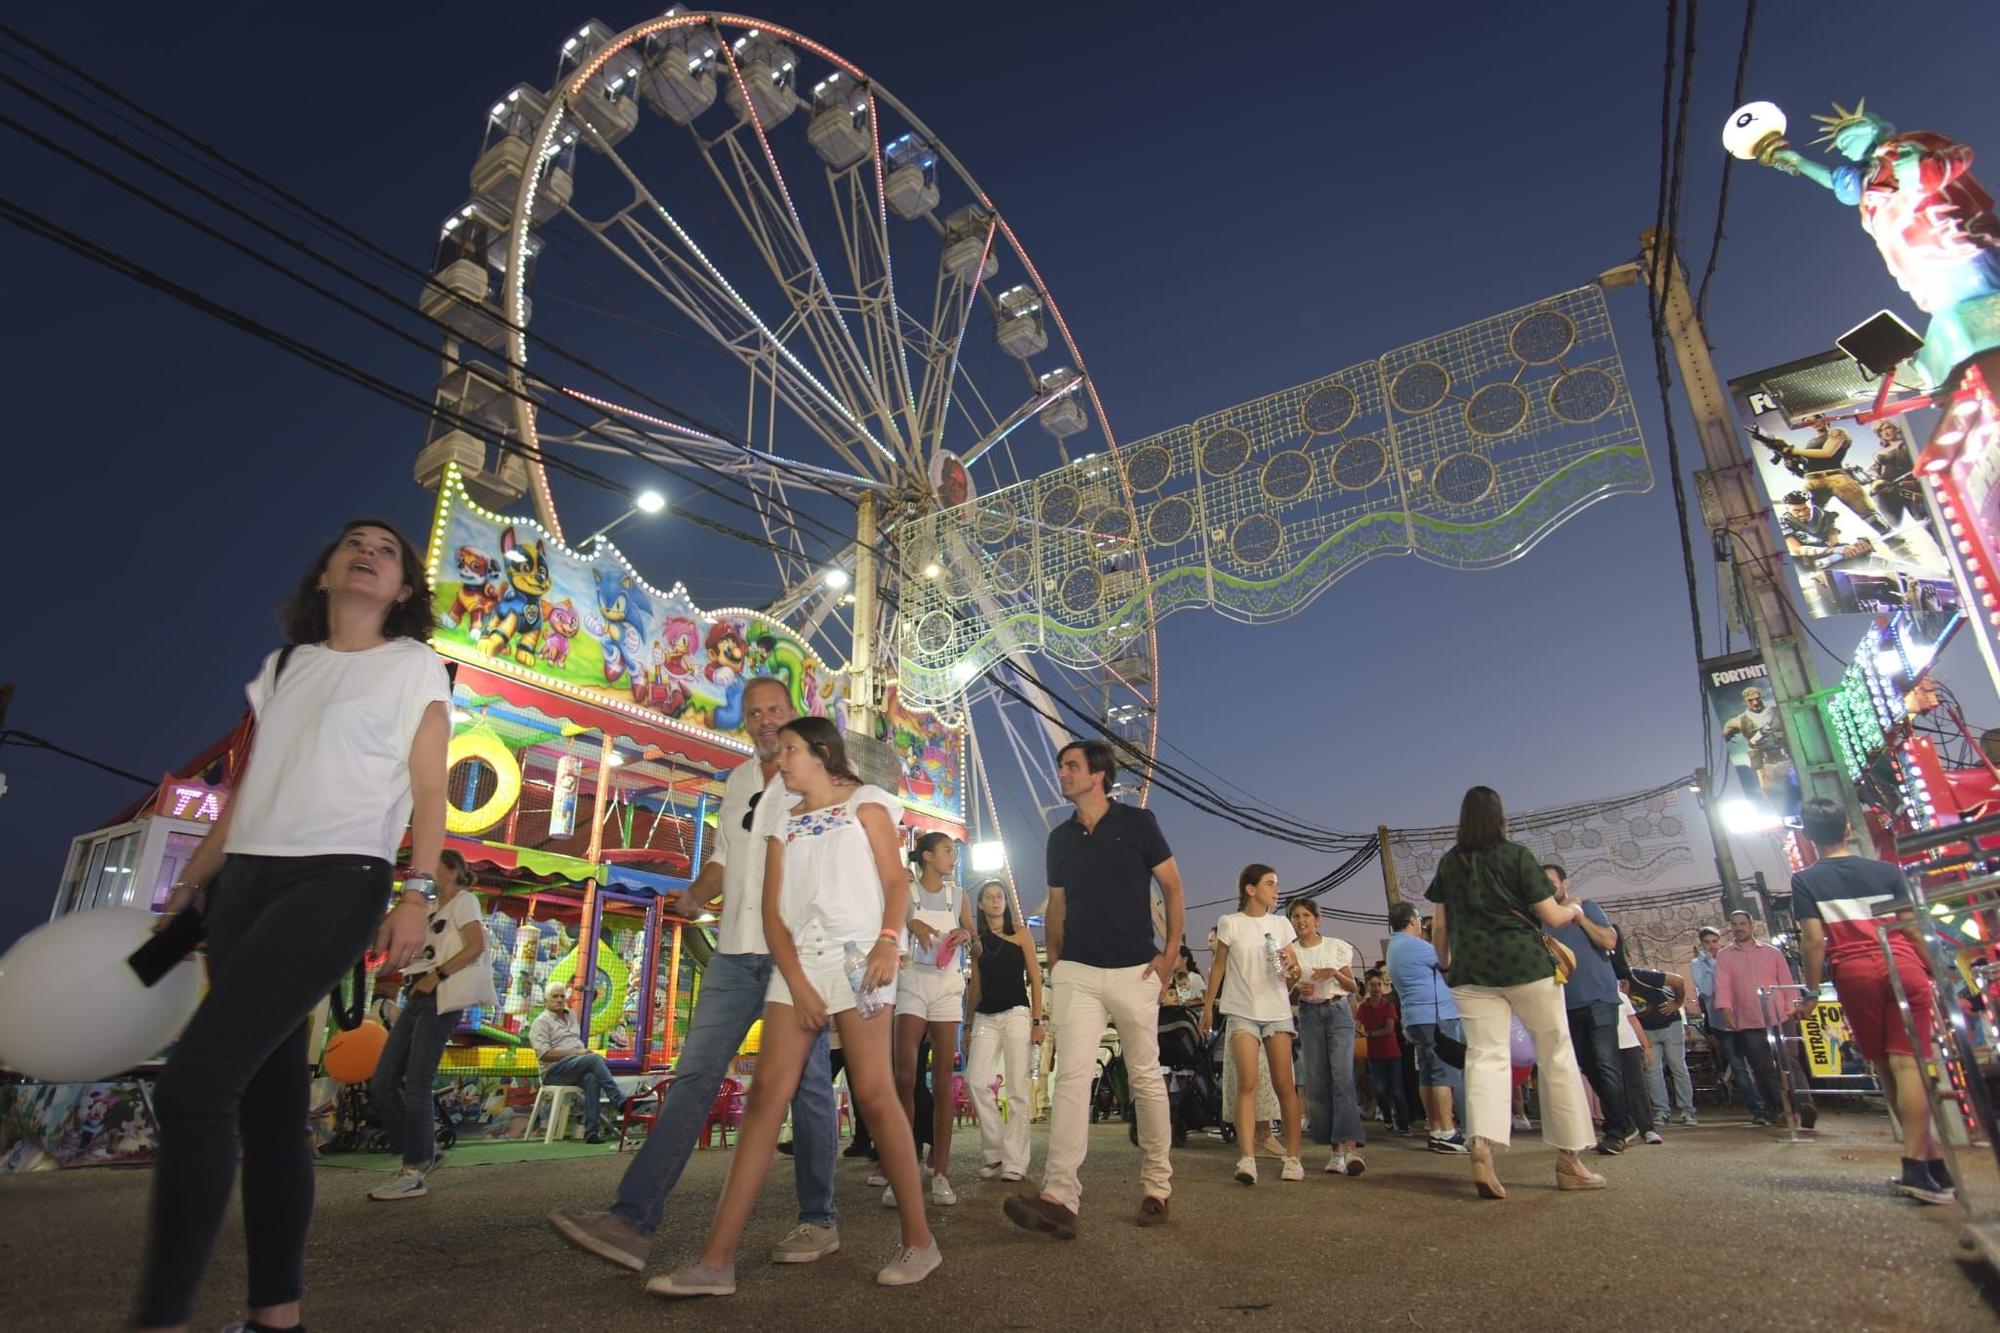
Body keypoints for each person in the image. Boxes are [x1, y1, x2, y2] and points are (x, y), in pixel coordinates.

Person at [138, 518, 452, 1332]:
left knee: (196, 1082)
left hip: (340, 875)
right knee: (272, 1111)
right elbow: (247, 787)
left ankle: (161, 1316)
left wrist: (417, 890)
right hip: (245, 882)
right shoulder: (285, 667)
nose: (368, 553)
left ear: (404, 590)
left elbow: (426, 790)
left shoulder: (414, 665)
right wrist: (195, 878)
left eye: (387, 551)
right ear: (324, 575)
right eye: (354, 543)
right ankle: (277, 1316)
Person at [550, 677, 841, 1273]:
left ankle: (818, 1219)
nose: (765, 721)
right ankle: (632, 1219)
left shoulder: (816, 777)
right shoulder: (737, 782)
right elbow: (724, 859)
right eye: (755, 713)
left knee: (807, 1090)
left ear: (795, 714)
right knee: (693, 1078)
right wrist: (690, 896)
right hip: (734, 953)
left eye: (775, 711)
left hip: (795, 958)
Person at [652, 717, 939, 1295]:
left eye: (790, 749)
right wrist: (798, 984)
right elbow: (772, 912)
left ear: (821, 753)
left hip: (862, 962)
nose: (780, 759)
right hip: (799, 965)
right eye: (780, 750)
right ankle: (716, 1261)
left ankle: (921, 1241)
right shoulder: (783, 820)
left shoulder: (867, 803)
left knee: (877, 1097)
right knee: (765, 1100)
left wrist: (889, 939)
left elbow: (896, 882)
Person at [1005, 739, 1183, 1239]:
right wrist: (1056, 961)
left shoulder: (1138, 825)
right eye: (1061, 765)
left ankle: (1157, 1186)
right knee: (1072, 1079)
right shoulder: (1059, 839)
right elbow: (1057, 905)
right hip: (1078, 972)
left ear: (1098, 774)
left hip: (1135, 971)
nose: (1061, 773)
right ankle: (1059, 1196)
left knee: (1145, 1077)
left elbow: (1172, 887)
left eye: (1071, 766)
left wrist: (1169, 953)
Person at [1427, 786, 1605, 1200]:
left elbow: (1439, 926)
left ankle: (1483, 1150)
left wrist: (1447, 962)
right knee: (1556, 1055)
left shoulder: (1450, 864)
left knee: (1485, 1058)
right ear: (1500, 818)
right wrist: (1576, 910)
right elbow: (1553, 916)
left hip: (1471, 973)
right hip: (1525, 967)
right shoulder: (1517, 856)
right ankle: (1569, 1161)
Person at [1788, 798, 1952, 1203]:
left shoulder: (1806, 881)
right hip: (1903, 965)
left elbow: (1813, 941)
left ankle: (1921, 1164)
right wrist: (1937, 972)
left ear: (1808, 837)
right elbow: (1913, 930)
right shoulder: (1886, 871)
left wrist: (1810, 992)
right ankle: (1925, 1163)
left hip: (1854, 973)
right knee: (1909, 1064)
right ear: (1848, 828)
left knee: (1886, 1067)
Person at [368, 849, 496, 1200]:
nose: (426, 870)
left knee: (417, 1082)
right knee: (382, 1081)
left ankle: (413, 1169)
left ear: (452, 870)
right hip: (418, 993)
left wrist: (438, 974)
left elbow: (477, 945)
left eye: (435, 864)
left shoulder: (465, 901)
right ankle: (422, 1152)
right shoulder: (430, 907)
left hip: (440, 996)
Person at [1199, 866, 1305, 1184]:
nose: (1276, 890)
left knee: (1284, 1083)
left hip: (1276, 1010)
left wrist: (1293, 967)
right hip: (1241, 1009)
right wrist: (1207, 1008)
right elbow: (1218, 967)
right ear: (1250, 889)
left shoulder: (1281, 924)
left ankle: (1294, 1158)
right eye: (1270, 884)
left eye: (1276, 884)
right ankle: (1247, 1158)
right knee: (1247, 1082)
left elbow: (1294, 970)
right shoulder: (1230, 923)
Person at [890, 832, 973, 1208]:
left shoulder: (959, 897)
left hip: (947, 988)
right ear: (927, 857)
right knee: (904, 1076)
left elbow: (976, 940)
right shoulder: (906, 894)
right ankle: (901, 1170)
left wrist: (965, 934)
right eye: (946, 850)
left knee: (942, 1080)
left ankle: (940, 1171)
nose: (953, 856)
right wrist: (912, 925)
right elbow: (888, 928)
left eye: (954, 851)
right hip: (911, 983)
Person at [1542, 863, 1632, 1155]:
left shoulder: (1589, 907)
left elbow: (1609, 940)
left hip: (1599, 998)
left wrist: (1578, 917)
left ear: (1565, 883)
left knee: (1605, 1062)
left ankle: (1618, 1129)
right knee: (1589, 1065)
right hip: (1565, 1004)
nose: (1545, 888)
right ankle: (1623, 1121)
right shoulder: (1541, 922)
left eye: (1551, 882)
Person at [965, 879, 1044, 1183]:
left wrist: (1038, 1021)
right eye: (989, 897)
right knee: (975, 1081)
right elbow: (976, 987)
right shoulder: (978, 941)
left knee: (1017, 1089)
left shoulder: (1021, 934)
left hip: (1016, 1014)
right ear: (981, 905)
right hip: (985, 1016)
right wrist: (968, 1023)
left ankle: (1016, 1161)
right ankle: (995, 1151)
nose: (996, 901)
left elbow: (1036, 979)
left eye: (1000, 896)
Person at [1714, 909, 1819, 1129]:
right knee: (1762, 1066)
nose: (1739, 928)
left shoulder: (1772, 953)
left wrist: (1793, 1007)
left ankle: (1805, 1105)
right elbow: (1722, 984)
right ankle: (1778, 1109)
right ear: (1730, 928)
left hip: (1781, 1015)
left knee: (1790, 1060)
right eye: (1734, 924)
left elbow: (1786, 981)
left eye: (1743, 923)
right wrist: (1725, 1010)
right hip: (1749, 1018)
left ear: (1752, 926)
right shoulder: (1725, 955)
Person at [1288, 899, 1366, 1175]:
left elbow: (1353, 986)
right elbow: (1290, 994)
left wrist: (1332, 972)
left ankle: (1351, 1149)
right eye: (1296, 916)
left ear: (1317, 919)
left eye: (1306, 915)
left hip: (1338, 1012)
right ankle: (1335, 1151)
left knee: (1342, 1077)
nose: (1301, 920)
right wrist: (1300, 988)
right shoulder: (1292, 952)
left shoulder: (1336, 946)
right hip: (1309, 1015)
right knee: (1318, 1082)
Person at [1384, 901, 1466, 1153]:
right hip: (1435, 1016)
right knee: (1442, 1073)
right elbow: (1449, 961)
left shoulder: (1394, 947)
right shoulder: (1416, 946)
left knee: (1428, 1074)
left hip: (1415, 1017)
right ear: (1412, 920)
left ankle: (1435, 1129)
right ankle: (1447, 1132)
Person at [1691, 924, 1764, 1117]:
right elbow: (1707, 989)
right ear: (1701, 944)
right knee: (1738, 1066)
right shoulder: (1697, 964)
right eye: (1706, 942)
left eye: (1714, 941)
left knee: (1757, 1062)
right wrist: (1713, 965)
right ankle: (1755, 1108)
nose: (1711, 946)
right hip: (1720, 1022)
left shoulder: (1732, 957)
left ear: (1720, 941)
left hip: (1744, 1017)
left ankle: (1769, 1102)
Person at [1629, 963, 1696, 1127]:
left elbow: (1678, 980)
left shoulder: (1639, 976)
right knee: (1652, 1070)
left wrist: (1677, 1002)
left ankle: (1687, 1111)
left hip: (1669, 1025)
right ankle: (1661, 1111)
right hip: (1647, 1029)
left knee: (1677, 1067)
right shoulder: (1611, 982)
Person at [1355, 972, 1409, 1135]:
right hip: (1375, 1054)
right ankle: (1387, 1116)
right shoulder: (1364, 1008)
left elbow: (1389, 1029)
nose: (1376, 988)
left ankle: (1404, 1124)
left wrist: (1368, 1034)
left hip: (1391, 1053)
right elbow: (1357, 1023)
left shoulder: (1388, 1006)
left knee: (1397, 1090)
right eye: (1373, 985)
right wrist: (1358, 1031)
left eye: (1378, 985)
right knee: (1379, 1089)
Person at [1614, 989, 1660, 1145]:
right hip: (1606, 1047)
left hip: (1629, 1045)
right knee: (1613, 1089)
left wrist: (1646, 1046)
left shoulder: (1621, 996)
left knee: (1637, 1087)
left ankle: (1648, 1129)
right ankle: (1621, 1130)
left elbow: (1633, 1021)